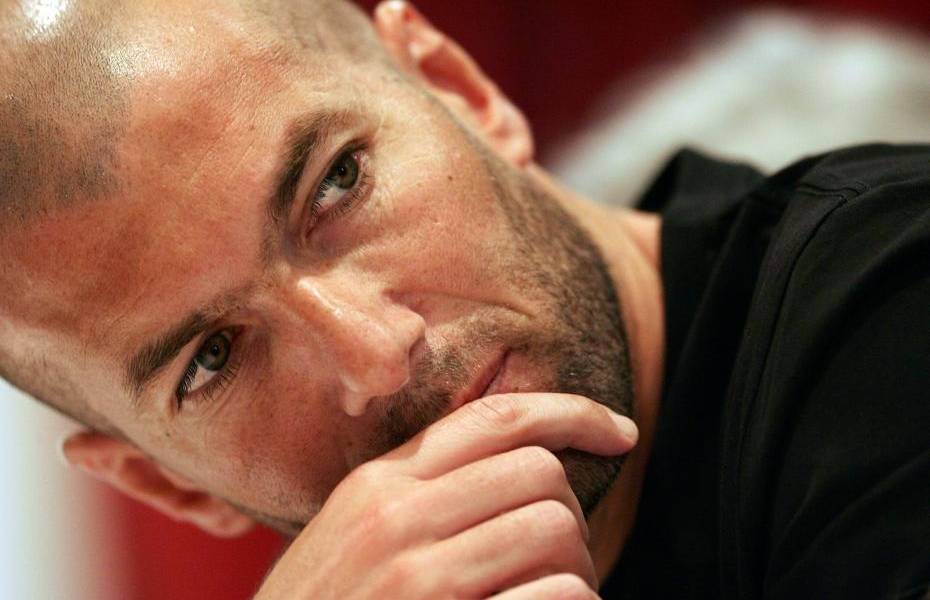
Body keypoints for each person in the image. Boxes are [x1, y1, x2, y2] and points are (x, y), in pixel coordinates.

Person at [0, 0, 926, 598]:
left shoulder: (892, 305)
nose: (377, 353)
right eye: (213, 358)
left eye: (337, 183)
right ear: (168, 483)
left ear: (457, 87)